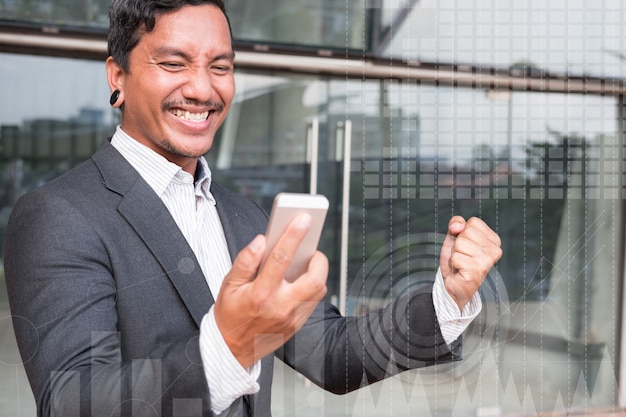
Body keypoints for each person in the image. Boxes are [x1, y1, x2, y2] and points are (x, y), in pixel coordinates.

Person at [3, 1, 503, 416]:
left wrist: (448, 299)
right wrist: (227, 347)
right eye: (174, 63)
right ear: (118, 75)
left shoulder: (243, 215)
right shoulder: (58, 215)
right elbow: (72, 401)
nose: (203, 88)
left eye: (220, 66)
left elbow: (329, 353)